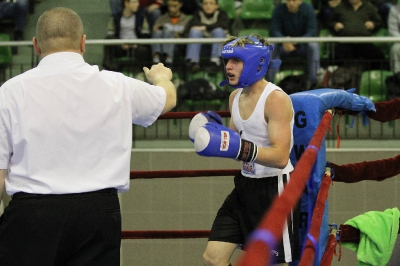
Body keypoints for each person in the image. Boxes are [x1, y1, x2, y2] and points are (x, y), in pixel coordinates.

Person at [0, 7, 176, 265]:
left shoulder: (10, 92)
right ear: (83, 43)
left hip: (32, 215)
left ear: (36, 45)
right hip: (98, 215)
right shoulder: (116, 85)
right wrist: (161, 77)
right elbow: (167, 99)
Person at [190, 35, 299, 266]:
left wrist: (242, 149)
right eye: (227, 61)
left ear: (256, 62)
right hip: (245, 186)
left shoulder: (275, 99)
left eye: (236, 61)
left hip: (274, 188)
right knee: (213, 259)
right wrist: (210, 130)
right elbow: (233, 143)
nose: (228, 67)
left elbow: (281, 157)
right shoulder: (234, 97)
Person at [268, 0, 321, 90]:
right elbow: (274, 30)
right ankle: (271, 83)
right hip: (283, 46)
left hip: (303, 46)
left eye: (294, 0)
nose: (291, 3)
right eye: (288, 0)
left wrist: (298, 41)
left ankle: (314, 82)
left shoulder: (308, 9)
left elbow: (312, 31)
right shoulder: (278, 9)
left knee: (314, 46)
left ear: (300, 1)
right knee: (272, 46)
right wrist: (284, 40)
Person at [327, 0, 387, 70]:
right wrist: (334, 25)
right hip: (345, 42)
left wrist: (374, 24)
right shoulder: (340, 7)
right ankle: (339, 78)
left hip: (364, 42)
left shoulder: (369, 7)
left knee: (378, 56)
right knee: (334, 57)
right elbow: (329, 22)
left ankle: (373, 78)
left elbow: (379, 22)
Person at [183, 0, 230, 74]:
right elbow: (192, 26)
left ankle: (215, 61)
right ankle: (193, 62)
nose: (208, 6)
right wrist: (208, 28)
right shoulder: (197, 14)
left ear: (216, 6)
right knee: (195, 31)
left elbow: (223, 25)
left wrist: (205, 27)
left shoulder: (222, 14)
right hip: (201, 47)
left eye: (211, 3)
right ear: (202, 6)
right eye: (205, 3)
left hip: (218, 48)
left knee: (218, 31)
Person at [103, 0, 149, 71]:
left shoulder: (141, 17)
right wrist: (120, 43)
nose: (137, 4)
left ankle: (140, 72)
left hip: (136, 46)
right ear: (126, 3)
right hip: (120, 45)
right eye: (134, 2)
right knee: (109, 40)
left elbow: (145, 34)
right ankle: (109, 69)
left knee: (143, 50)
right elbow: (110, 33)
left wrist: (137, 43)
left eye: (137, 2)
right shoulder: (116, 17)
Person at [151, 0, 191, 67]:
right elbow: (155, 31)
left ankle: (168, 61)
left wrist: (176, 36)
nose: (172, 9)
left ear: (180, 5)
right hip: (162, 47)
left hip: (178, 47)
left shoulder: (186, 20)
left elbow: (188, 38)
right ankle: (156, 59)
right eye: (169, 6)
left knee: (168, 32)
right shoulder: (162, 18)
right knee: (157, 32)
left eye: (174, 6)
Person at [388, 4, 400, 75]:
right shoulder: (394, 10)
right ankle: (397, 80)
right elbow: (393, 31)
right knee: (395, 49)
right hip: (399, 41)